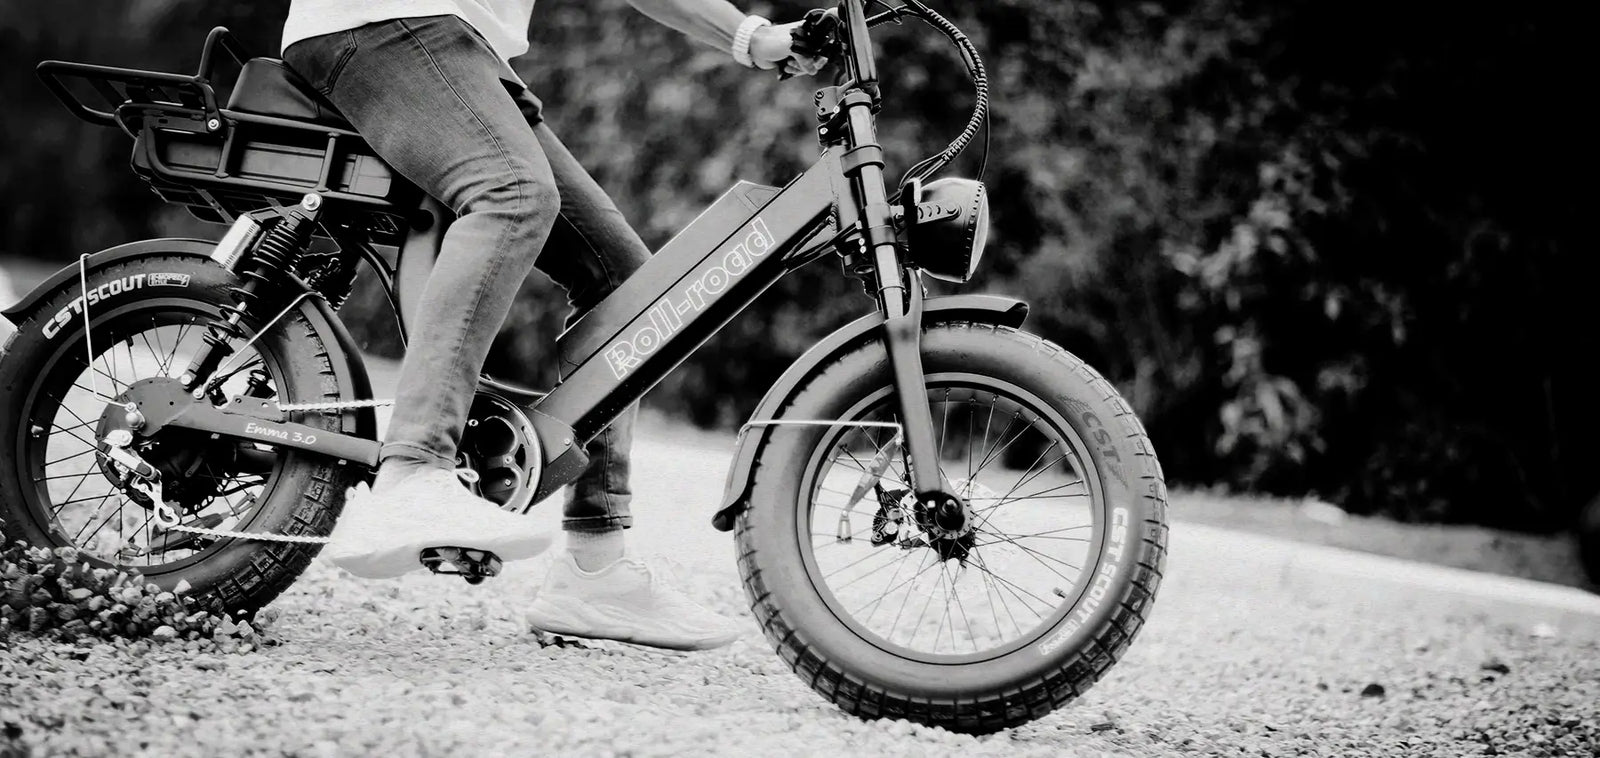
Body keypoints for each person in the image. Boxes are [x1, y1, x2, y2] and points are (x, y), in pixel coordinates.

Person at [279, 0, 826, 650]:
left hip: (460, 44)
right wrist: (752, 37)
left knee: (625, 285)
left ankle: (594, 568)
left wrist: (750, 37)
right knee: (513, 193)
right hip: (385, 21)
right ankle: (414, 466)